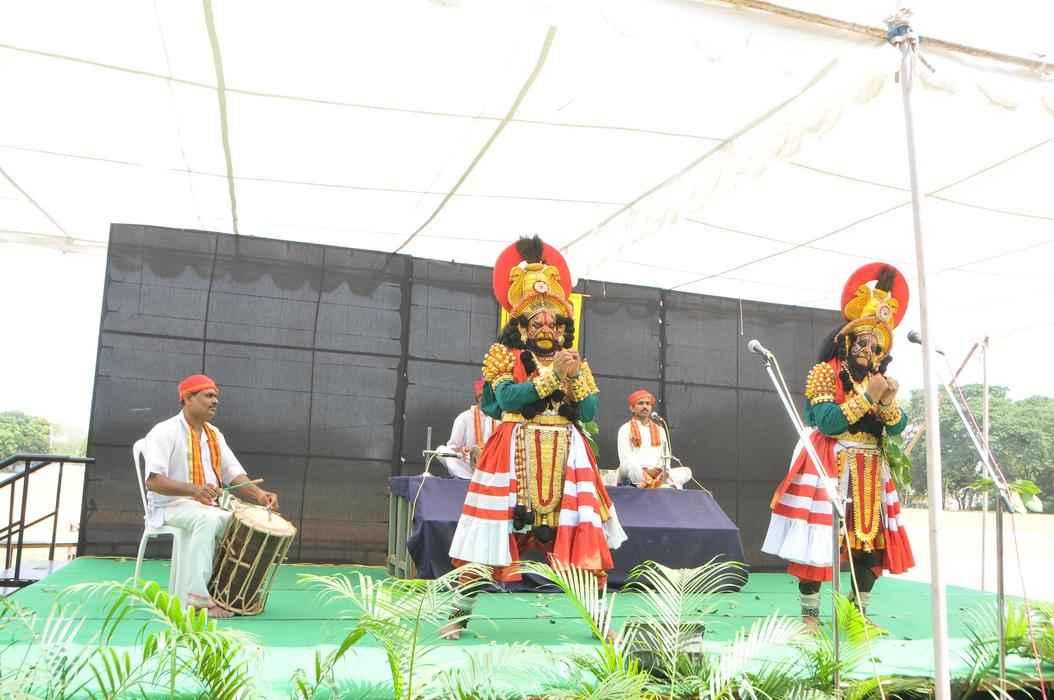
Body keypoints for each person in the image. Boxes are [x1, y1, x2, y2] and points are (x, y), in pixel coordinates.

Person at [444, 236, 627, 639]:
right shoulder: (504, 357)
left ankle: (600, 622)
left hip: (568, 456)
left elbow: (590, 412)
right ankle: (458, 616)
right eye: (537, 322)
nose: (547, 327)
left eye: (554, 322)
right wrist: (551, 377)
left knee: (580, 535)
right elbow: (508, 399)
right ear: (522, 327)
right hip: (513, 454)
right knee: (490, 534)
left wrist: (572, 378)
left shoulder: (576, 363)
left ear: (564, 327)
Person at [762, 263, 914, 632]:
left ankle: (857, 616)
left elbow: (897, 427)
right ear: (845, 342)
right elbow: (828, 421)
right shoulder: (824, 373)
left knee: (871, 546)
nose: (869, 349)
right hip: (830, 464)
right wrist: (869, 397)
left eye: (875, 345)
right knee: (817, 543)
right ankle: (810, 620)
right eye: (862, 342)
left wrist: (887, 401)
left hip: (871, 469)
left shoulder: (876, 378)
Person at [141, 374, 279, 618]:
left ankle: (232, 594)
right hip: (169, 506)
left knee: (248, 522)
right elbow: (153, 482)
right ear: (187, 398)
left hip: (206, 505)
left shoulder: (214, 434)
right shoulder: (164, 431)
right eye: (208, 395)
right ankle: (198, 600)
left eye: (216, 396)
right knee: (209, 519)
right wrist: (194, 490)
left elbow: (233, 473)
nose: (215, 401)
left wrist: (259, 494)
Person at [617, 389, 692, 489]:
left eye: (648, 404)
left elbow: (666, 457)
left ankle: (659, 483)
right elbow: (625, 458)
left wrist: (661, 470)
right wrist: (646, 471)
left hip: (657, 472)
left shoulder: (660, 430)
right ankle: (656, 485)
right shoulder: (625, 429)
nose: (645, 406)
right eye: (641, 403)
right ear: (632, 408)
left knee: (686, 472)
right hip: (636, 472)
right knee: (631, 467)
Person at [439, 378, 496, 479]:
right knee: (442, 451)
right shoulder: (464, 417)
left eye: (490, 397)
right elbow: (453, 447)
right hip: (470, 466)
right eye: (483, 396)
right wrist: (462, 451)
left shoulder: (500, 419)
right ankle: (469, 479)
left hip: (494, 466)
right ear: (478, 398)